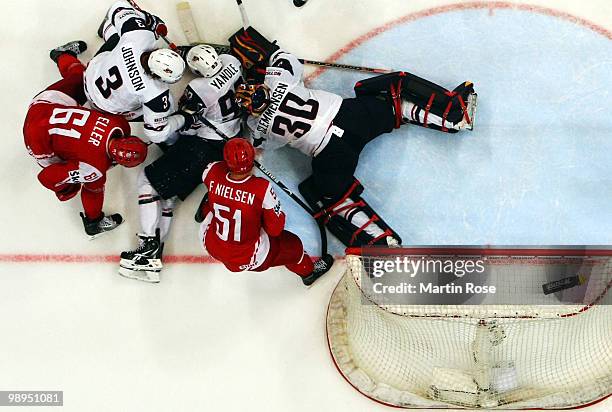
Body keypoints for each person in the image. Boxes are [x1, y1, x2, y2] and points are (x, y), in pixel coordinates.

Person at [229, 28, 477, 248]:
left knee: (330, 198)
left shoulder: (259, 125)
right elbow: (284, 59)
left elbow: (259, 143)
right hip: (352, 117)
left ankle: (381, 241)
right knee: (395, 103)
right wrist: (262, 66)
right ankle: (453, 117)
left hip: (331, 154)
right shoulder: (280, 83)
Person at [118, 45, 244, 283]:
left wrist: (169, 124)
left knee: (147, 181)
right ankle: (154, 257)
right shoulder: (232, 62)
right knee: (167, 196)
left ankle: (147, 246)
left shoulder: (198, 88)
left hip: (204, 147)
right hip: (229, 138)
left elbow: (188, 122)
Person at [23, 41, 148, 238]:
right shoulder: (94, 167)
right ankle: (93, 223)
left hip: (44, 107)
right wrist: (64, 187)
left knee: (79, 79)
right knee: (79, 189)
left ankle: (62, 55)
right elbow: (47, 177)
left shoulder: (118, 123)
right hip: (38, 142)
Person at [200, 138, 333, 286]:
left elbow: (215, 178)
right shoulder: (261, 188)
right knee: (293, 246)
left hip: (212, 243)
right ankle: (308, 272)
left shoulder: (212, 169)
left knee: (212, 202)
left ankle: (203, 212)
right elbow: (275, 230)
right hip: (247, 257)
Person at [85, 0, 198, 145]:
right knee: (168, 110)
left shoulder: (139, 34)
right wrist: (184, 118)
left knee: (121, 38)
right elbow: (156, 135)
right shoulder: (155, 93)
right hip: (107, 109)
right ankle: (172, 142)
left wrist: (151, 21)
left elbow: (117, 7)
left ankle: (107, 28)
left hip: (90, 76)